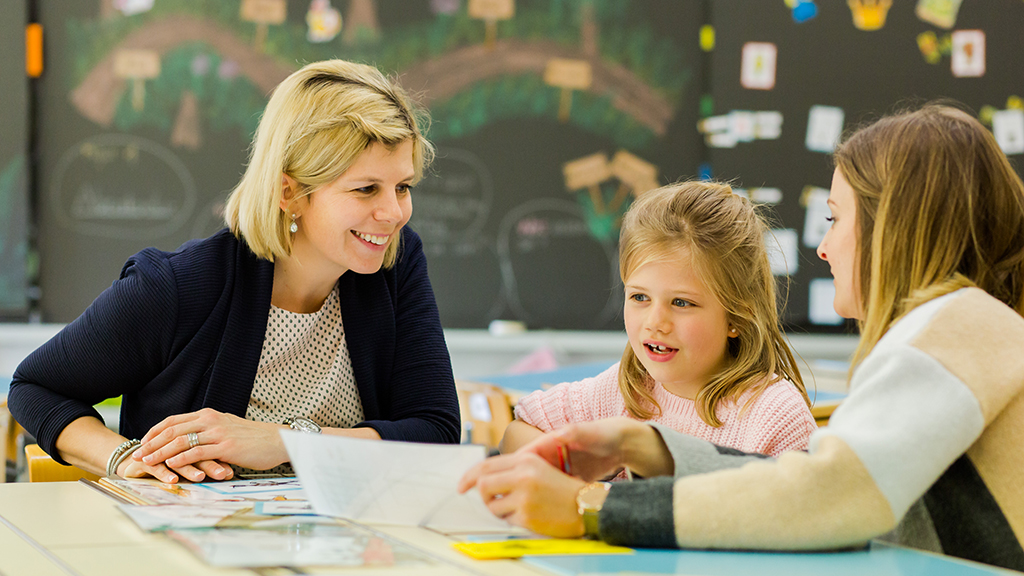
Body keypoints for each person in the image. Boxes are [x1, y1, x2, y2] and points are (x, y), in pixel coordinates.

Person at [458, 104, 1024, 571]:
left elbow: (825, 499)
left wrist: (593, 507)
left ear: (893, 227)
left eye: (835, 219)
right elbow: (801, 487)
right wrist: (645, 447)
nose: (824, 248)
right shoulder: (963, 329)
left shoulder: (954, 333)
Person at [9, 59, 461, 484]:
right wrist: (123, 459)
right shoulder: (178, 286)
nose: (394, 213)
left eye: (403, 187)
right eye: (366, 189)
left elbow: (435, 433)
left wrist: (288, 442)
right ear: (290, 193)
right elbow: (35, 387)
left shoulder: (395, 264)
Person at [500, 182, 816, 461]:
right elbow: (517, 432)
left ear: (736, 317)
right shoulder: (623, 391)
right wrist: (587, 483)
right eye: (639, 297)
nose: (655, 322)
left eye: (681, 303)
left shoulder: (775, 415)